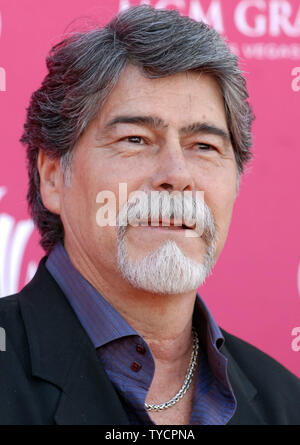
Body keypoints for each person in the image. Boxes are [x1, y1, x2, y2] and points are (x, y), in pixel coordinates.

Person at [0, 5, 299, 426]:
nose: (176, 175)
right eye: (136, 139)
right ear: (52, 176)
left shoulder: (285, 403)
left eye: (204, 146)